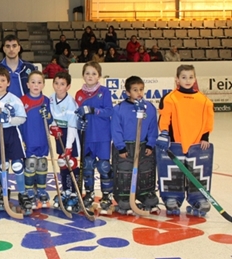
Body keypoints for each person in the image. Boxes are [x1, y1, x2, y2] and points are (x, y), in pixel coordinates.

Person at [156, 64, 214, 216]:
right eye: (183, 77)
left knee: (197, 172)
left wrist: (205, 137)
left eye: (190, 77)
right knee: (174, 171)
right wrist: (164, 134)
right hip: (175, 143)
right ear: (177, 79)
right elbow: (164, 118)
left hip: (196, 144)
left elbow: (208, 120)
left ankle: (199, 198)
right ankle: (172, 197)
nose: (187, 80)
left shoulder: (204, 101)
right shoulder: (170, 99)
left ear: (195, 79)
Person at [0, 34, 36, 199]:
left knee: (25, 150)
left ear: (19, 47)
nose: (11, 49)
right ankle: (0, 185)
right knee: (1, 154)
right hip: (3, 117)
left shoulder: (29, 67)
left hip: (23, 114)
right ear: (3, 48)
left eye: (14, 45)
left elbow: (35, 90)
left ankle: (29, 185)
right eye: (7, 46)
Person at [111, 76, 159, 215]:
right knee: (124, 171)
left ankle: (145, 194)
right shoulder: (119, 108)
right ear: (127, 92)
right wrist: (120, 147)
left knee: (146, 170)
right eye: (135, 90)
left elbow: (152, 127)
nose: (139, 92)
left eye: (141, 89)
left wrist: (150, 144)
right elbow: (116, 129)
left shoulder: (149, 107)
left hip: (143, 145)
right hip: (126, 146)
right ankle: (124, 196)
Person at [0, 67, 27, 211]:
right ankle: (5, 192)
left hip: (12, 133)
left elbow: (22, 118)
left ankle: (22, 193)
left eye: (3, 80)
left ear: (8, 82)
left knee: (18, 165)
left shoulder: (14, 99)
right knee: (3, 165)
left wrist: (9, 119)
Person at [75, 61, 114, 214]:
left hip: (102, 135)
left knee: (104, 167)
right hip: (87, 136)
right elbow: (77, 114)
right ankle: (89, 194)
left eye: (93, 73)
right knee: (88, 166)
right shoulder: (79, 94)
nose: (90, 76)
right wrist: (79, 122)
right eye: (87, 73)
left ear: (99, 76)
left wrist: (93, 110)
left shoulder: (104, 92)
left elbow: (109, 111)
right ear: (83, 75)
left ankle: (106, 196)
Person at [19, 70, 53, 213]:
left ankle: (42, 190)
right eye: (33, 82)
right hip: (29, 138)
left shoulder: (46, 100)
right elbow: (19, 122)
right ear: (27, 84)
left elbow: (50, 119)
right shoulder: (23, 101)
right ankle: (29, 191)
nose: (36, 85)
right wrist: (22, 139)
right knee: (30, 164)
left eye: (39, 82)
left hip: (42, 138)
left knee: (42, 164)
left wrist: (48, 115)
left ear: (43, 84)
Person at [48, 72, 80, 212]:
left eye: (62, 84)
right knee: (62, 163)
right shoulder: (50, 99)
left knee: (70, 162)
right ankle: (66, 190)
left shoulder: (71, 103)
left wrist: (68, 147)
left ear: (68, 86)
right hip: (59, 132)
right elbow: (50, 117)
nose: (58, 87)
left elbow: (73, 125)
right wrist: (52, 127)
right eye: (56, 83)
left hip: (70, 134)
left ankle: (75, 191)